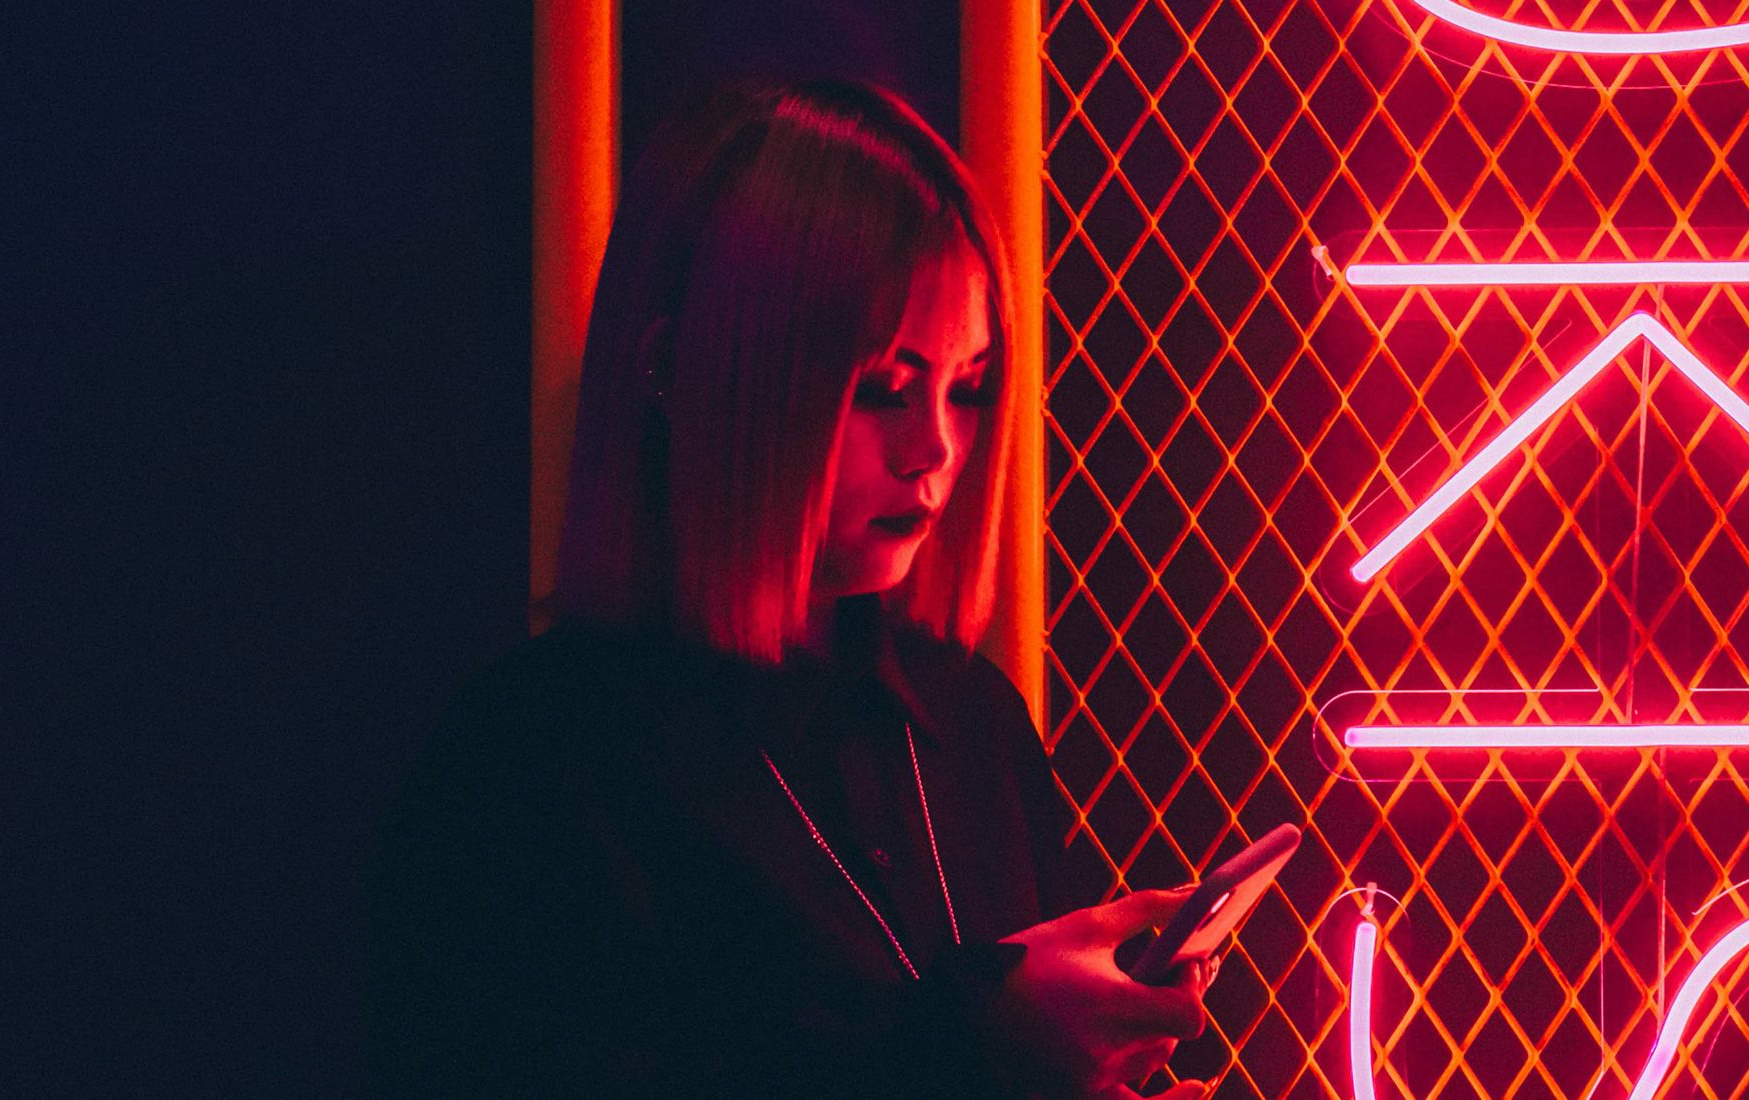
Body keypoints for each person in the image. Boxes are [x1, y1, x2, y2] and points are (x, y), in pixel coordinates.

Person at [366, 81, 1218, 1098]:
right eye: (883, 389)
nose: (935, 448)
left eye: (967, 386)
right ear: (680, 370)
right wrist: (971, 1054)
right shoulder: (533, 761)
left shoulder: (971, 724)